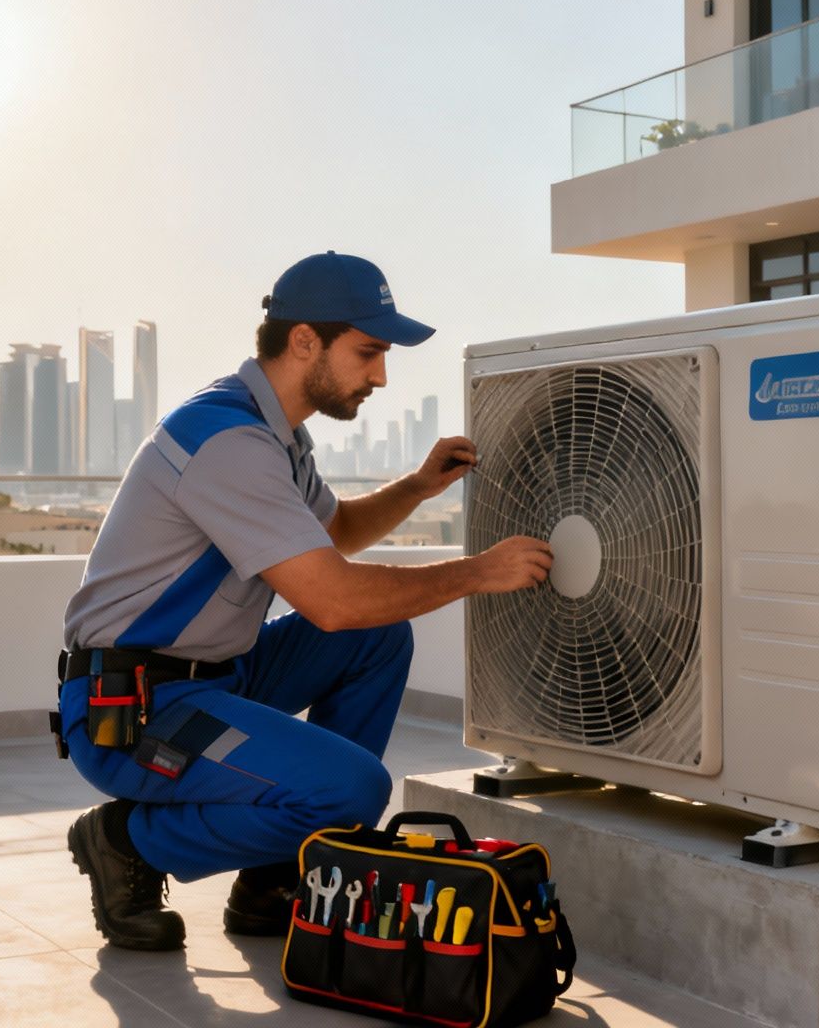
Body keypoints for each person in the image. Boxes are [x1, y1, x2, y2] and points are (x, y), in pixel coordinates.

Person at [56, 251, 553, 951]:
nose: (381, 376)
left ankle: (274, 877)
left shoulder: (275, 437)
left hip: (215, 679)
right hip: (139, 711)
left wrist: (418, 487)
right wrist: (477, 572)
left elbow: (336, 533)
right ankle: (128, 842)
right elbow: (333, 602)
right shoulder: (228, 441)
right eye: (369, 352)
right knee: (350, 790)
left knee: (377, 638)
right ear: (303, 341)